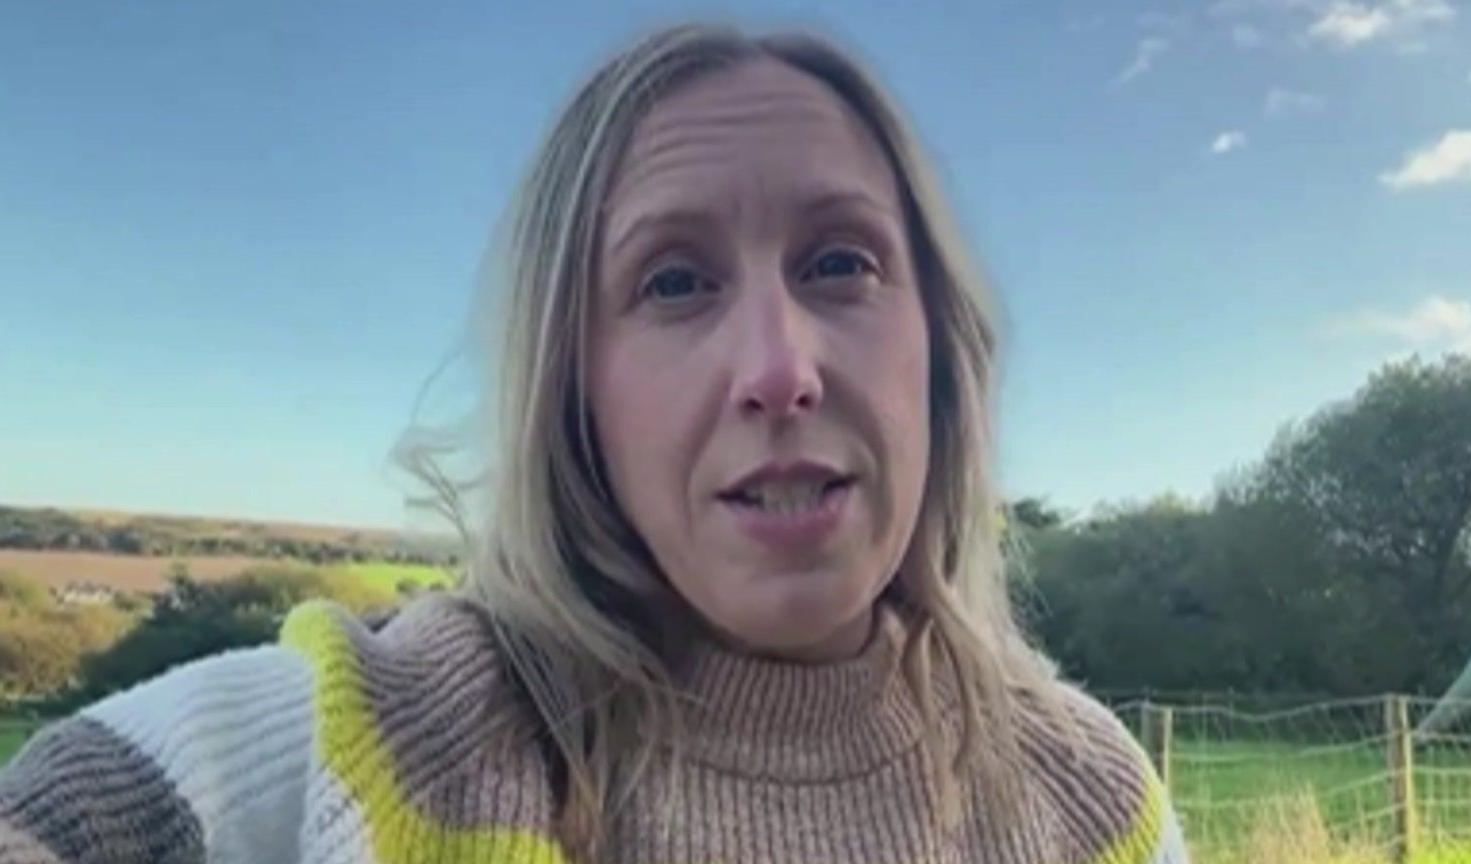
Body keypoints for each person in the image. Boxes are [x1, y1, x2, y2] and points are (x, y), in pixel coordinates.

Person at [0, 23, 1189, 864]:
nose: (780, 369)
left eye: (841, 262)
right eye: (674, 282)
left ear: (938, 346)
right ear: (577, 392)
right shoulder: (377, 738)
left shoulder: (1089, 805)